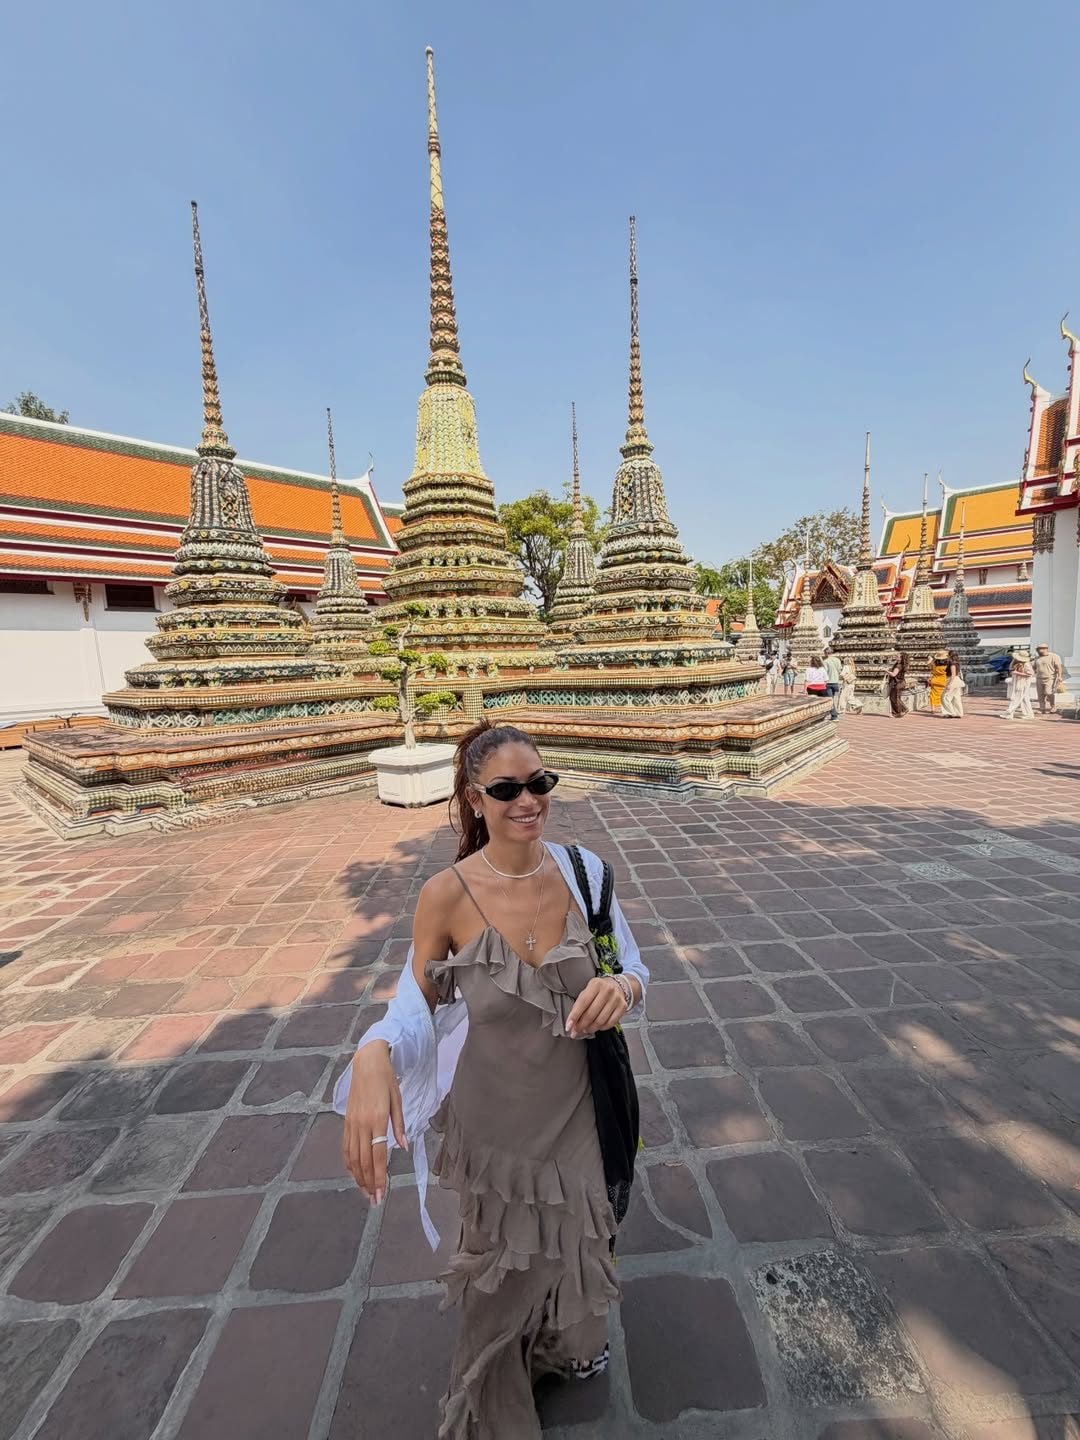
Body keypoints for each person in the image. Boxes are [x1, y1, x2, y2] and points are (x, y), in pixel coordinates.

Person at [338, 720, 649, 1438]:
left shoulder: (585, 873)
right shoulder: (446, 896)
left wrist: (624, 992)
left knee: (578, 1244)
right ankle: (489, 1405)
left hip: (578, 1110)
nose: (527, 801)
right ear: (476, 799)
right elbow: (414, 1007)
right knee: (499, 1279)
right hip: (495, 1126)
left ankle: (557, 1349)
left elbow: (635, 966)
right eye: (506, 789)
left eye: (539, 783)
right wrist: (372, 1052)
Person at [1033, 643, 1064, 714]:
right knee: (1040, 694)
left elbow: (1058, 667)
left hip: (1050, 678)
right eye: (1038, 649)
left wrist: (1059, 676)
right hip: (1039, 678)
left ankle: (1053, 706)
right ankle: (1042, 708)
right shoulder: (1037, 658)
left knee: (1048, 692)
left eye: (1040, 649)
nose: (1039, 651)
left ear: (1046, 649)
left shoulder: (1054, 656)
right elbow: (1034, 667)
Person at [1004, 650, 1035, 720]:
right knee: (1025, 699)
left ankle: (1010, 712)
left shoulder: (1026, 664)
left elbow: (1030, 674)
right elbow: (1010, 668)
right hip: (1018, 682)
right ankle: (1029, 714)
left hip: (1023, 683)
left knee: (1016, 698)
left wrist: (1017, 673)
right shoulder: (1017, 663)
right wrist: (1013, 660)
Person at [940, 649, 965, 718]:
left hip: (952, 680)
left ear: (950, 656)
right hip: (956, 680)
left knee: (945, 697)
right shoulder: (957, 663)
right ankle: (958, 713)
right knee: (956, 698)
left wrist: (949, 684)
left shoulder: (952, 663)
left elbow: (953, 674)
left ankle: (950, 712)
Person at [823, 648, 843, 720]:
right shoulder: (837, 660)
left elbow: (824, 672)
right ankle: (832, 713)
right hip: (836, 682)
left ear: (826, 653)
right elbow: (840, 669)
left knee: (830, 700)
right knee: (833, 699)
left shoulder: (825, 661)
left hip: (829, 682)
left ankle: (834, 715)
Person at [928, 650, 949, 715]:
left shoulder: (934, 665)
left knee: (933, 695)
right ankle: (942, 708)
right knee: (942, 696)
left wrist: (931, 659)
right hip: (943, 681)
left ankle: (932, 709)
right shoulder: (946, 666)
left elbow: (928, 665)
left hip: (934, 680)